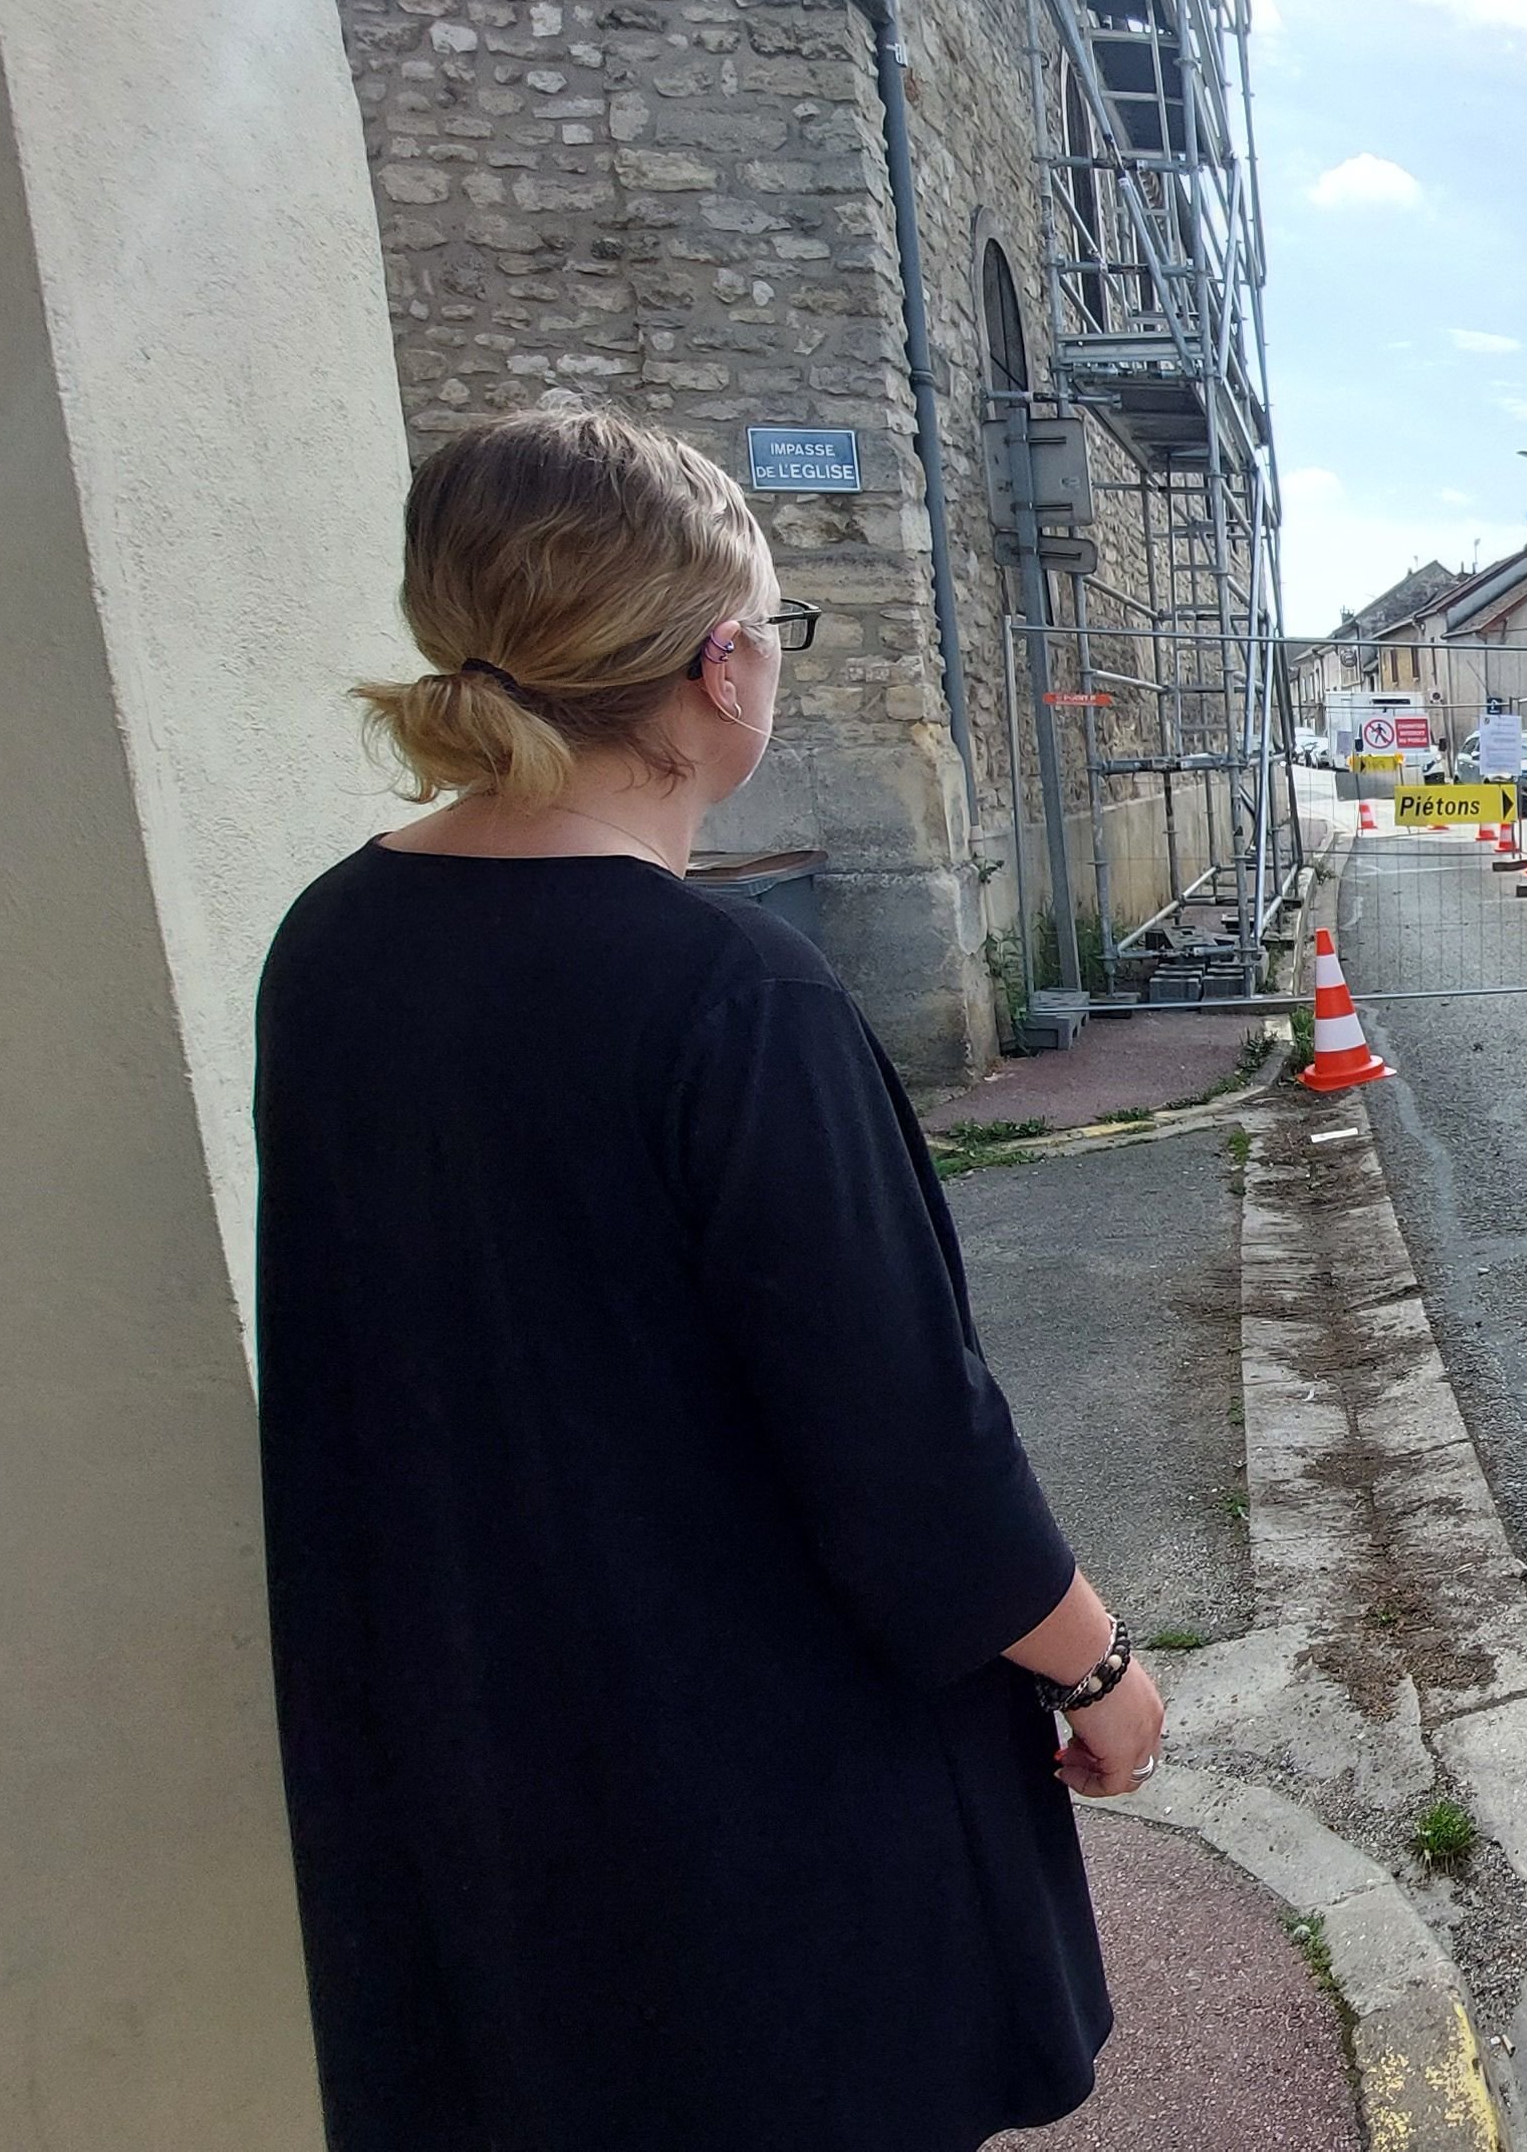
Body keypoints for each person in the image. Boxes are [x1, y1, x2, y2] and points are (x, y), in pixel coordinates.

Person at [254, 410, 1160, 2149]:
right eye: (772, 631)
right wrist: (1096, 1664)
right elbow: (904, 1436)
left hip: (462, 1756)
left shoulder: (332, 942)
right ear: (716, 665)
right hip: (743, 1792)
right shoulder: (733, 998)